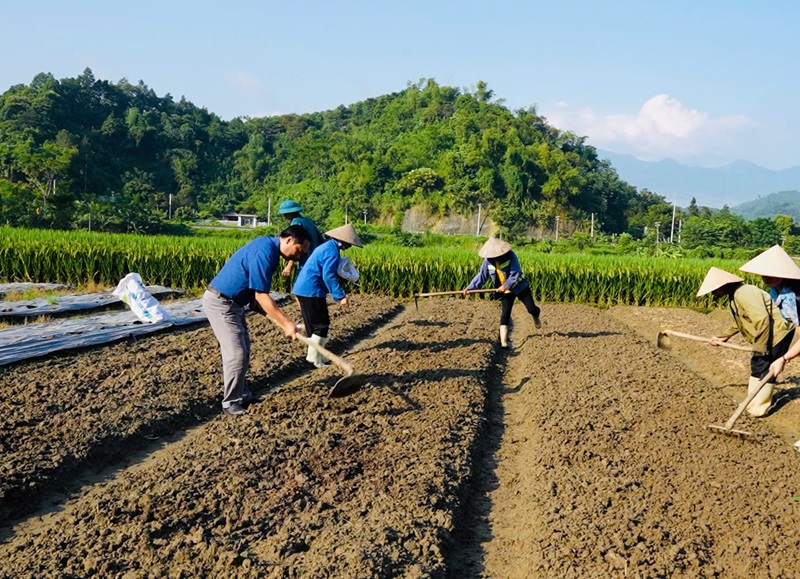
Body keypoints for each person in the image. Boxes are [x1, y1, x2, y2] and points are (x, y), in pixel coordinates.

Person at [203, 225, 311, 416]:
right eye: (299, 250)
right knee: (236, 353)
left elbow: (255, 299)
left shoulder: (269, 251)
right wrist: (286, 323)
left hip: (235, 304)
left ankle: (243, 395)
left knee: (243, 350)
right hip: (221, 303)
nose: (299, 256)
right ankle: (231, 402)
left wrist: (284, 321)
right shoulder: (265, 252)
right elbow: (261, 295)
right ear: (288, 240)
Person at [698, 266, 797, 417]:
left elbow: (762, 319)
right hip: (769, 334)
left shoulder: (744, 293)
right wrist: (724, 336)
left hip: (778, 333)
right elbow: (741, 320)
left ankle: (759, 408)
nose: (713, 293)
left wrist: (761, 347)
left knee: (766, 368)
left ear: (722, 286)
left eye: (714, 290)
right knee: (757, 365)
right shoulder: (735, 295)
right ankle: (751, 403)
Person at [292, 223, 363, 368]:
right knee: (321, 324)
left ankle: (317, 356)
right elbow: (328, 275)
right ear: (343, 240)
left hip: (304, 288)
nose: (349, 246)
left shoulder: (327, 246)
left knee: (313, 325)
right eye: (349, 243)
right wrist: (340, 296)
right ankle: (314, 359)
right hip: (311, 290)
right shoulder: (331, 250)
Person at [463, 237, 542, 349]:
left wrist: (505, 285)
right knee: (505, 314)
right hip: (505, 291)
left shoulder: (510, 256)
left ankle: (536, 316)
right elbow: (481, 276)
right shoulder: (488, 261)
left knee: (531, 309)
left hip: (519, 286)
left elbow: (515, 273)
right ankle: (504, 342)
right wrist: (470, 288)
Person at [739, 244, 800, 325]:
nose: (767, 279)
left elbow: (797, 323)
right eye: (764, 275)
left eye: (771, 276)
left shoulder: (791, 296)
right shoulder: (774, 291)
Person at [277, 199, 324, 278]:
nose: (284, 216)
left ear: (290, 213)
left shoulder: (296, 223)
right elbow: (321, 240)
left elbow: (295, 247)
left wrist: (289, 266)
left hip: (305, 261)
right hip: (315, 260)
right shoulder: (309, 221)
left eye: (285, 214)